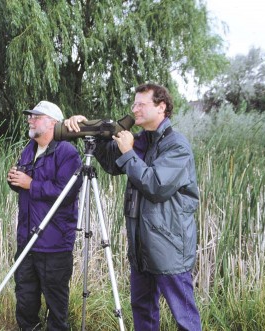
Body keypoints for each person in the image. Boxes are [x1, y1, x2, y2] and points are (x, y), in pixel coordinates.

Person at [65, 83, 202, 331]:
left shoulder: (176, 146)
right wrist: (88, 129)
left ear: (161, 107)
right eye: (134, 103)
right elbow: (110, 163)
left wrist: (128, 152)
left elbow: (156, 185)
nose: (134, 109)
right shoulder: (141, 141)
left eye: (141, 104)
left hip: (169, 247)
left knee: (184, 317)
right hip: (141, 246)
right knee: (142, 309)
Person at [7, 101, 82, 331]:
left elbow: (67, 192)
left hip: (54, 243)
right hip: (26, 239)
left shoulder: (67, 152)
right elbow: (26, 186)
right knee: (25, 300)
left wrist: (31, 184)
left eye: (36, 116)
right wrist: (15, 181)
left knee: (56, 306)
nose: (30, 120)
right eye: (30, 116)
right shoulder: (29, 148)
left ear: (53, 122)